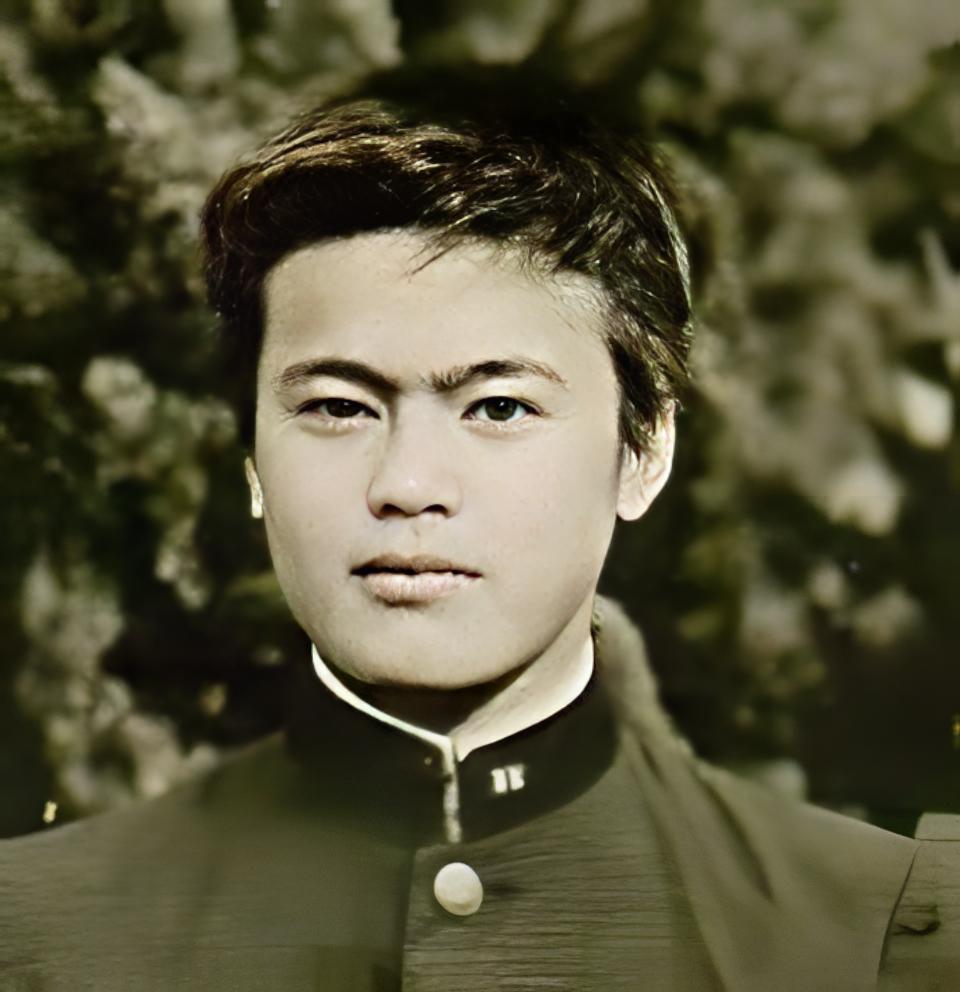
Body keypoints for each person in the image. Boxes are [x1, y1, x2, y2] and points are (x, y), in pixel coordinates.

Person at [0, 67, 956, 991]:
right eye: (338, 407)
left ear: (644, 451)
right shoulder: (41, 936)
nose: (406, 485)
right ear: (252, 460)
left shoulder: (866, 933)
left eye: (499, 407)